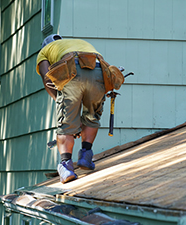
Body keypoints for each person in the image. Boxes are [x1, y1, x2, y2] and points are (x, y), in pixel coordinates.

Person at [36, 34, 124, 184]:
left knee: (66, 124)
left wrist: (61, 103)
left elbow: (47, 78)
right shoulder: (77, 43)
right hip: (99, 70)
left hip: (72, 71)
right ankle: (86, 156)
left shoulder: (45, 51)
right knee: (92, 114)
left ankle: (66, 166)